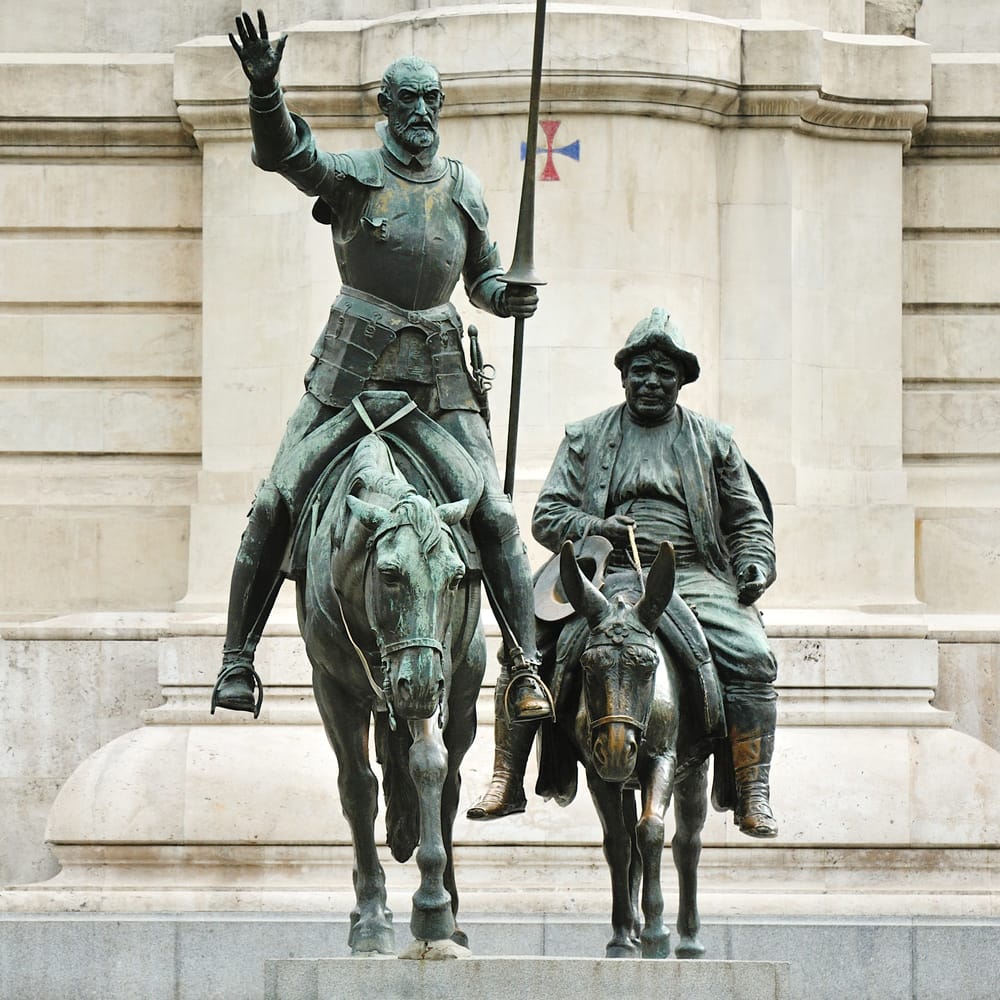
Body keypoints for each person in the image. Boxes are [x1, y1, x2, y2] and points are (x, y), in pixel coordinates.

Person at [212, 10, 551, 725]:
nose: (423, 111)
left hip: (441, 382)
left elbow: (481, 278)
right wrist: (267, 94)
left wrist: (505, 295)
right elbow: (288, 156)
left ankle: (523, 664)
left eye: (433, 99)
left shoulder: (463, 186)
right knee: (274, 501)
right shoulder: (355, 178)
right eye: (409, 99)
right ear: (385, 108)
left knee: (491, 509)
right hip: (348, 379)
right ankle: (237, 659)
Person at [468, 307, 779, 838]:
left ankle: (752, 788)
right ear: (624, 375)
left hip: (693, 576)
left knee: (752, 656)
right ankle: (507, 777)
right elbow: (547, 515)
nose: (652, 381)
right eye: (641, 370)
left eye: (664, 371)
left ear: (681, 379)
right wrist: (598, 526)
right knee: (527, 646)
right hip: (604, 573)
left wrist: (753, 563)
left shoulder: (715, 440)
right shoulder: (587, 437)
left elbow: (749, 521)